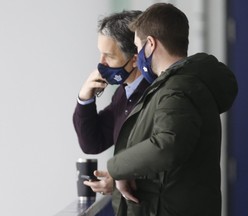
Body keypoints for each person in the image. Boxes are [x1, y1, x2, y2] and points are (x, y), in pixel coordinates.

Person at [106, 3, 238, 216]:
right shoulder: (176, 86)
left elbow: (168, 145)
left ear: (150, 44)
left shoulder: (177, 89)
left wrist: (117, 167)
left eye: (138, 47)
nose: (138, 55)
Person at [73, 10, 150, 196]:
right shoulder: (123, 93)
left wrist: (118, 181)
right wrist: (85, 98)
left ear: (134, 60)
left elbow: (162, 157)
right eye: (101, 54)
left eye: (109, 55)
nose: (101, 63)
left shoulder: (153, 93)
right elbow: (93, 142)